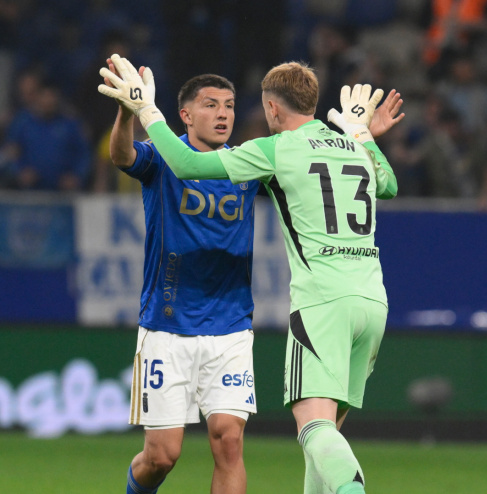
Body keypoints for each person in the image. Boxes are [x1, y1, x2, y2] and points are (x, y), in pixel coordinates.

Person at [98, 54, 402, 494]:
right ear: (185, 115)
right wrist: (130, 111)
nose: (223, 113)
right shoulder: (166, 155)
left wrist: (148, 109)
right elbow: (123, 155)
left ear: (270, 108)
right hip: (168, 322)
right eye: (210, 105)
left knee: (232, 441)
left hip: (234, 324)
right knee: (161, 457)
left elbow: (300, 166)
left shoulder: (253, 159)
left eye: (229, 105)